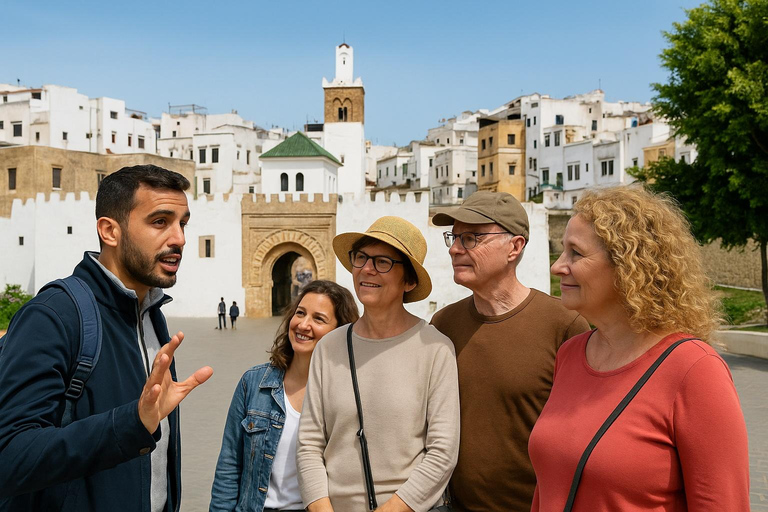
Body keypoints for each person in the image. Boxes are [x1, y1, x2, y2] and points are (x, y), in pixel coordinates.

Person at [0, 164, 214, 511]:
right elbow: (10, 457)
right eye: (160, 222)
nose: (179, 238)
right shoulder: (53, 316)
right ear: (109, 231)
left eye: (182, 223)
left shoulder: (151, 316)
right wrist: (132, 424)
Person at [530, 186, 749, 510]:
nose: (558, 266)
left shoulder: (695, 371)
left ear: (629, 265)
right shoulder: (570, 354)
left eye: (575, 253)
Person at [430, 191, 590, 511]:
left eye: (471, 238)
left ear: (514, 247)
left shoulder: (566, 326)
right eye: (454, 236)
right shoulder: (444, 324)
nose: (454, 248)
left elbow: (586, 437)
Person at [297, 216, 460, 512]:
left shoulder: (435, 349)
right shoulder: (328, 348)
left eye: (383, 262)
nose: (366, 269)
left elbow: (442, 453)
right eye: (361, 258)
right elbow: (309, 444)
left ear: (409, 281)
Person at [210, 280, 359, 512]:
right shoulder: (254, 383)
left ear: (340, 330)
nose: (303, 325)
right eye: (300, 313)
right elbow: (229, 466)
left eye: (319, 319)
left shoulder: (351, 393)